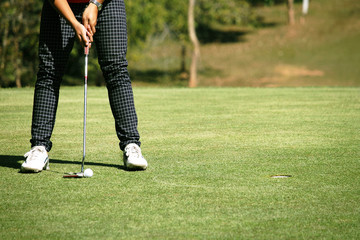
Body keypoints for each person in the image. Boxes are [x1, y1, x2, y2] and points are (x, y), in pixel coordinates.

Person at [21, 0, 148, 172]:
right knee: (49, 71)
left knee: (116, 69)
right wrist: (74, 22)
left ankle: (131, 146)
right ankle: (39, 147)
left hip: (107, 4)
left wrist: (95, 3)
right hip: (61, 5)